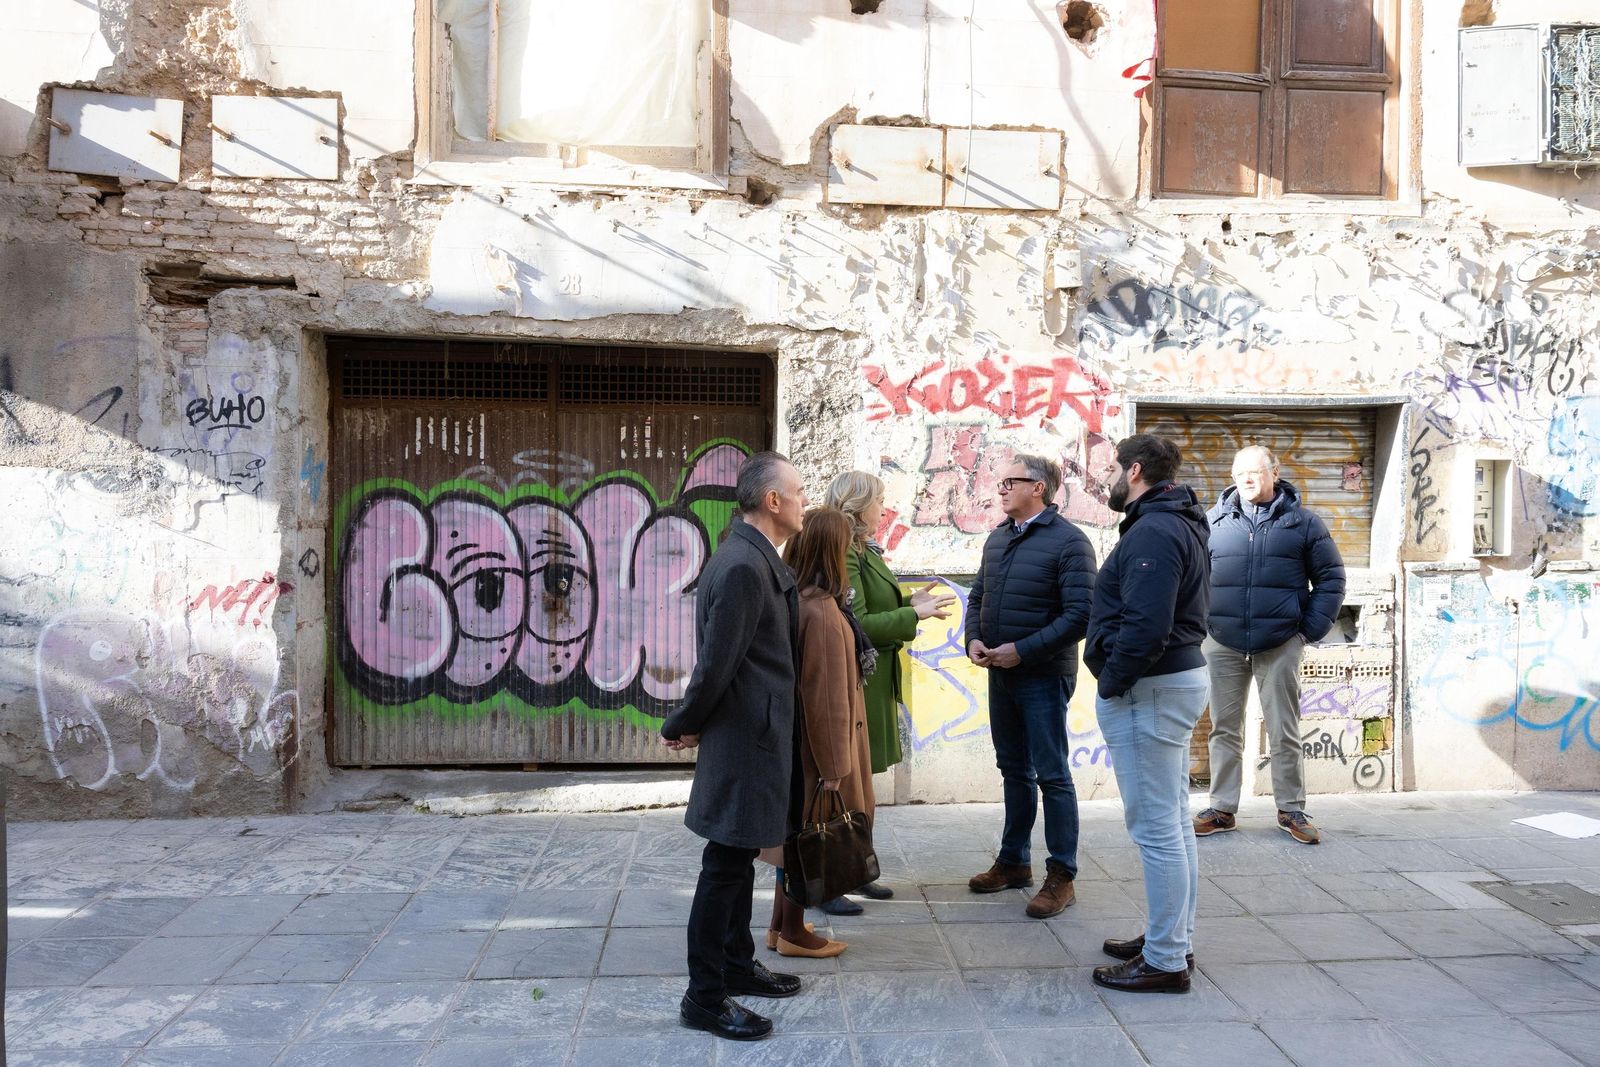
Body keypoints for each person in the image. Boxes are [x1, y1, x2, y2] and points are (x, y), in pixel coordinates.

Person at [660, 450, 808, 1041]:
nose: (804, 501)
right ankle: (704, 995)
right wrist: (682, 722)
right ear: (772, 501)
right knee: (723, 865)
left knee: (740, 856)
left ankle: (737, 964)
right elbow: (716, 666)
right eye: (798, 491)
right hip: (749, 738)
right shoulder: (746, 567)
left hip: (756, 733)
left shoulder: (752, 558)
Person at [1084, 433, 1211, 995]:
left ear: (1135, 471)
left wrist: (1112, 683)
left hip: (1151, 689)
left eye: (1114, 469)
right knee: (1173, 821)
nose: (1109, 480)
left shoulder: (1156, 529)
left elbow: (1146, 625)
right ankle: (1171, 940)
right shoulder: (1173, 520)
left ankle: (1164, 960)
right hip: (1168, 685)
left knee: (1157, 827)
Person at [964, 453, 1097, 919]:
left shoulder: (1070, 543)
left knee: (1053, 776)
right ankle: (1013, 862)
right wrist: (974, 640)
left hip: (1042, 676)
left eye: (1009, 481)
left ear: (1038, 487)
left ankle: (1062, 875)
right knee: (1013, 771)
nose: (999, 489)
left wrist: (1024, 650)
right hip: (1001, 673)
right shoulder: (998, 539)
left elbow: (1080, 615)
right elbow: (978, 595)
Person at [1193, 445, 1346, 845]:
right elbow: (1192, 577)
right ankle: (1222, 809)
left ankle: (1291, 808)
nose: (1245, 479)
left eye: (1255, 472)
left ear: (1274, 473)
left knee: (1283, 728)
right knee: (1223, 729)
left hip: (1280, 641)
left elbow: (1331, 579)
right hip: (1222, 641)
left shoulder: (1303, 524)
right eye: (1239, 472)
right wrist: (1200, 626)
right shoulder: (1213, 521)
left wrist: (1306, 631)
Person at [821, 470, 957, 915]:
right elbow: (854, 624)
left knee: (863, 786)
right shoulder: (843, 549)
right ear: (860, 507)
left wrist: (908, 603)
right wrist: (913, 614)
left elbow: (876, 606)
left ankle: (857, 870)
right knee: (844, 784)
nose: (885, 510)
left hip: (876, 681)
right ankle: (829, 881)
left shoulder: (863, 548)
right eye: (880, 501)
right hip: (859, 683)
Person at [763, 507, 879, 958]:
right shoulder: (825, 613)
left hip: (797, 745)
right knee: (809, 838)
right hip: (820, 753)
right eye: (846, 544)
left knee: (794, 838)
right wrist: (835, 768)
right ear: (832, 551)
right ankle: (793, 932)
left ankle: (779, 926)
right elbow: (827, 698)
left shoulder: (798, 600)